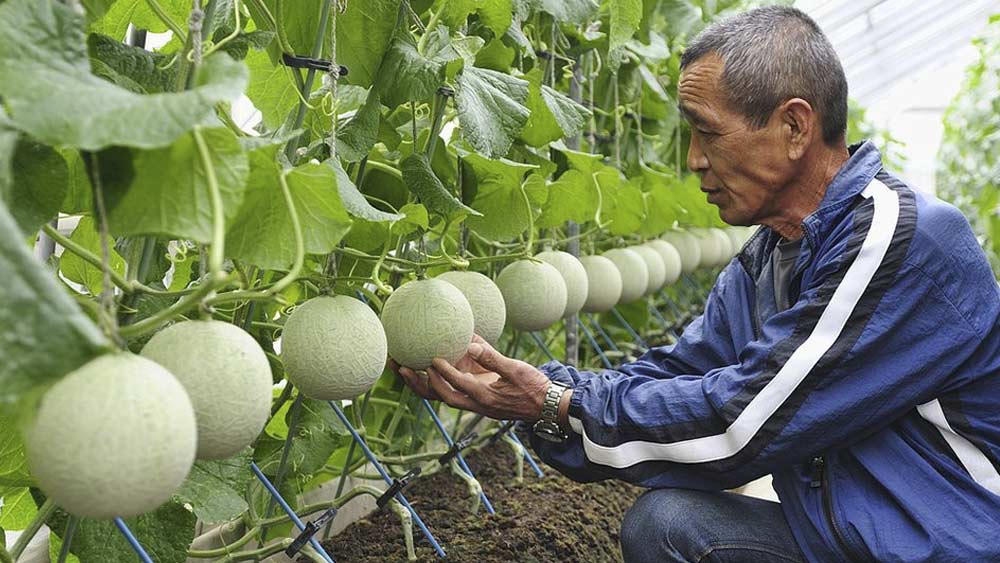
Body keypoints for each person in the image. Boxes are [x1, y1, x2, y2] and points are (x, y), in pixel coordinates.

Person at [392, 6, 1000, 562]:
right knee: (669, 523)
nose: (693, 159)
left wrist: (559, 403)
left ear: (794, 128)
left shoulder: (896, 238)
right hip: (847, 538)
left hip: (949, 543)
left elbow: (743, 424)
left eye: (707, 131)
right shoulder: (768, 258)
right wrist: (543, 393)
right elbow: (681, 373)